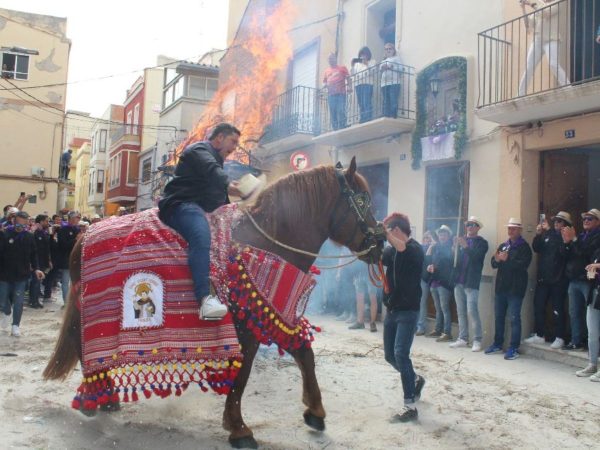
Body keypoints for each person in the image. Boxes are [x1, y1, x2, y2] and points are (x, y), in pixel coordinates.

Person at [159, 123, 242, 320]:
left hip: (200, 208)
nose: (235, 148)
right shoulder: (199, 150)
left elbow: (219, 195)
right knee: (200, 233)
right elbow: (212, 171)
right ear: (219, 138)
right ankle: (205, 299)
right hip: (181, 205)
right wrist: (229, 184)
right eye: (233, 142)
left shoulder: (217, 160)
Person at [381, 213, 425, 423]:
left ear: (396, 230)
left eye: (390, 230)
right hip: (392, 309)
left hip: (408, 311)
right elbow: (378, 257)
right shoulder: (392, 250)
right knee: (390, 356)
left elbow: (402, 248)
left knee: (400, 353)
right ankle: (415, 379)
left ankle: (410, 406)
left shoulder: (415, 249)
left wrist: (386, 234)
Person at [486, 218, 532, 360]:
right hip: (501, 287)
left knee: (514, 318)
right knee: (499, 317)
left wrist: (507, 260)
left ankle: (514, 348)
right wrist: (498, 260)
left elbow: (523, 265)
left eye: (513, 228)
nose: (510, 231)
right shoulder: (503, 245)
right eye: (509, 228)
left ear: (520, 230)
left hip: (515, 289)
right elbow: (493, 263)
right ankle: (498, 344)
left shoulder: (524, 247)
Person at [524, 211, 570, 349]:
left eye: (559, 221)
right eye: (555, 221)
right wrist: (538, 234)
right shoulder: (548, 235)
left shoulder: (565, 236)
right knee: (538, 306)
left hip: (558, 279)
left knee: (557, 309)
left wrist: (549, 231)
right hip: (544, 278)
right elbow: (537, 248)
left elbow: (563, 252)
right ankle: (539, 335)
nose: (556, 223)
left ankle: (560, 337)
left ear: (565, 224)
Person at [0, 211, 44, 337]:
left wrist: (37, 269)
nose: (20, 227)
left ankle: (15, 325)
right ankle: (7, 312)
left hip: (22, 275)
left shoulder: (29, 237)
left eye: (23, 224)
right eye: (18, 223)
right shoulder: (4, 234)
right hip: (4, 274)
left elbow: (34, 254)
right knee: (2, 300)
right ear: (14, 221)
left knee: (19, 301)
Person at [561, 208, 600, 350]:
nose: (586, 221)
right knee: (574, 312)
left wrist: (574, 240)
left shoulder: (597, 237)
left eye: (590, 219)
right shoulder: (581, 235)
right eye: (584, 219)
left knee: (591, 314)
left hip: (588, 281)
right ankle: (576, 340)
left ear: (598, 222)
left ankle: (592, 345)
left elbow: (585, 254)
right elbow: (569, 255)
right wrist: (566, 243)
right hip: (574, 279)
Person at [450, 216, 489, 352]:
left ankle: (477, 339)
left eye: (473, 225)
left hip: (471, 281)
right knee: (460, 311)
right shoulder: (461, 240)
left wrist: (464, 246)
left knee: (472, 311)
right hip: (459, 280)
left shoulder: (482, 243)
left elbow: (476, 257)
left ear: (478, 228)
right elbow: (455, 260)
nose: (470, 227)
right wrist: (455, 248)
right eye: (468, 225)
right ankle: (463, 338)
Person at [518, 0, 569, 96]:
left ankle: (568, 87)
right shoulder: (539, 4)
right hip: (538, 40)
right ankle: (520, 94)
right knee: (529, 67)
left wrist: (530, 4)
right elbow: (528, 24)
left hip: (552, 39)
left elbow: (546, 13)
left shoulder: (557, 3)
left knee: (553, 63)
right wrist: (523, 8)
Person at [426, 225, 454, 342]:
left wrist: (435, 267)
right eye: (440, 234)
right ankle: (438, 329)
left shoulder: (451, 247)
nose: (442, 236)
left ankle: (447, 333)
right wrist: (430, 267)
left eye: (444, 234)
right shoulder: (436, 247)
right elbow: (429, 260)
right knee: (438, 308)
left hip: (444, 282)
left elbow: (448, 264)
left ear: (448, 236)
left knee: (445, 308)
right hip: (434, 281)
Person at [576, 250, 600, 379]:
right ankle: (592, 364)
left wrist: (597, 266)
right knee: (592, 332)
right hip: (595, 293)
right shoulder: (597, 251)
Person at [55, 211, 81, 305]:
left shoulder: (78, 230)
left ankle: (74, 301)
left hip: (76, 259)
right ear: (70, 219)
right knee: (65, 281)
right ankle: (66, 302)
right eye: (75, 218)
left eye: (77, 218)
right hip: (66, 259)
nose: (76, 220)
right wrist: (75, 240)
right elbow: (63, 245)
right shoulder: (63, 230)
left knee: (74, 282)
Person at [416, 230, 437, 336]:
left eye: (429, 238)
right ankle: (415, 325)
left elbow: (428, 259)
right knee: (415, 303)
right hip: (415, 279)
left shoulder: (433, 249)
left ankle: (421, 327)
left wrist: (431, 246)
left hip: (424, 280)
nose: (427, 240)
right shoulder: (419, 248)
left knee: (421, 303)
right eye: (425, 238)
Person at [29, 214, 52, 309]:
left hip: (43, 260)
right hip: (36, 261)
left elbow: (47, 248)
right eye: (46, 221)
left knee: (38, 281)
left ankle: (34, 299)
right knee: (36, 281)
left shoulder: (44, 232)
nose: (48, 223)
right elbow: (32, 247)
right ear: (41, 221)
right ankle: (33, 301)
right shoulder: (35, 233)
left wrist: (49, 260)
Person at [323, 53, 350, 130]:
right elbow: (324, 82)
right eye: (329, 59)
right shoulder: (326, 71)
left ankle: (342, 126)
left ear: (335, 58)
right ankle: (335, 128)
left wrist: (349, 86)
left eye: (332, 58)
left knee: (341, 110)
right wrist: (324, 85)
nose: (330, 60)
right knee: (333, 112)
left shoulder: (342, 68)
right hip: (331, 95)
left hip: (341, 93)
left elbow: (348, 77)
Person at [348, 263, 379, 332]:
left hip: (371, 272)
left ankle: (372, 323)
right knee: (359, 298)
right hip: (359, 273)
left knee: (373, 298)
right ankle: (360, 322)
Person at [350, 46, 376, 123]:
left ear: (368, 54)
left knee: (366, 102)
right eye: (361, 54)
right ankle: (363, 118)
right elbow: (352, 74)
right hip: (358, 85)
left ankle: (367, 118)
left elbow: (372, 72)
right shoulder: (357, 64)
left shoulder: (372, 61)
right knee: (361, 103)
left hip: (367, 84)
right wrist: (352, 65)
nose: (363, 56)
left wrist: (367, 64)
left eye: (365, 54)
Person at [380, 43, 404, 118]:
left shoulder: (396, 58)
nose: (388, 50)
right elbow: (380, 70)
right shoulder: (383, 61)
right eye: (386, 49)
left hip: (394, 82)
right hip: (384, 84)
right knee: (385, 101)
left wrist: (392, 67)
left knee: (393, 100)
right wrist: (383, 68)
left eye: (390, 48)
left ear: (393, 50)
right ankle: (386, 116)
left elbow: (401, 69)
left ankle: (393, 116)